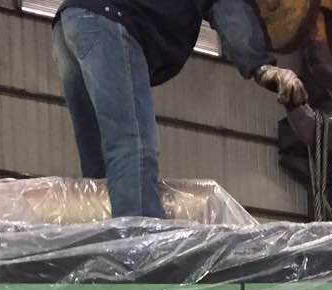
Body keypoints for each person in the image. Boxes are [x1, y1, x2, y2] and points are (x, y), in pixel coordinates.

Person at [51, 1, 308, 218]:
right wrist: (262, 67)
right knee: (132, 148)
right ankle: (139, 252)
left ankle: (102, 248)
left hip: (70, 22)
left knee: (98, 163)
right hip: (109, 21)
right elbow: (230, 10)